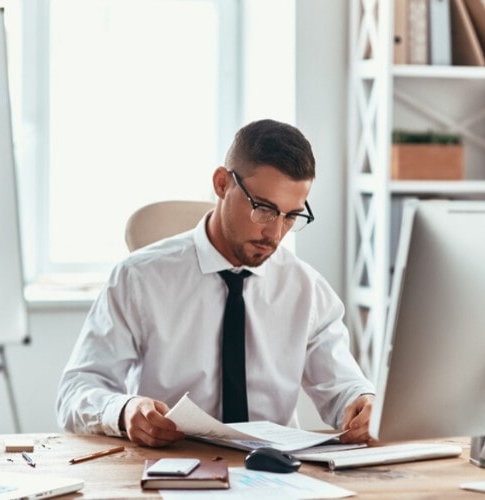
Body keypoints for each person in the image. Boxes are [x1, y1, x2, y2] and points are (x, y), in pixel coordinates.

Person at [56, 119, 375, 448]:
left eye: (291, 216)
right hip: (172, 465)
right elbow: (76, 391)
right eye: (264, 209)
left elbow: (344, 389)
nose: (276, 233)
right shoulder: (139, 278)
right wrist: (125, 410)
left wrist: (361, 403)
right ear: (222, 184)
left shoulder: (305, 289)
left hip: (272, 473)